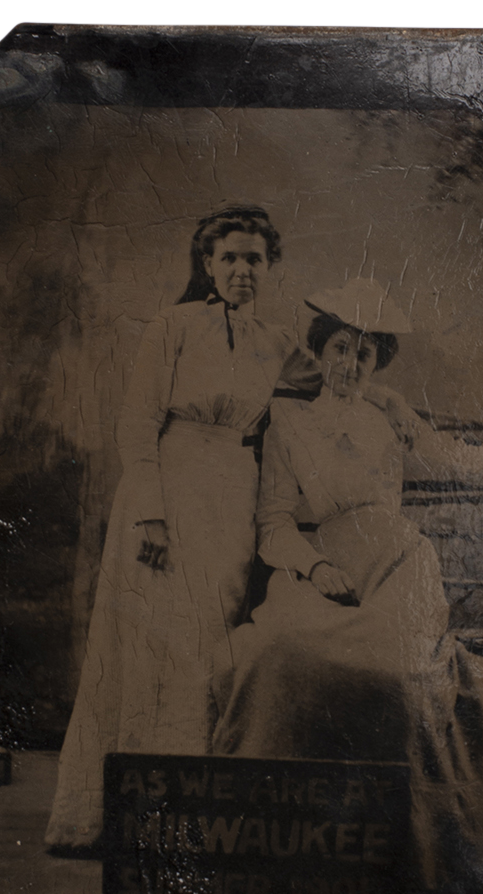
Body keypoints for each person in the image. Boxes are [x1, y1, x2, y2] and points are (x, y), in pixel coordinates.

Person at [210, 279, 483, 894]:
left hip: (400, 567)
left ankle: (403, 849)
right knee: (277, 655)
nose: (349, 365)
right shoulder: (288, 421)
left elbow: (460, 462)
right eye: (340, 349)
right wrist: (314, 568)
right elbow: (273, 523)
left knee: (403, 674)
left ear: (378, 364)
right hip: (322, 565)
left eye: (364, 354)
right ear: (320, 353)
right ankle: (286, 846)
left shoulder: (390, 417)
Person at [43, 206, 321, 851]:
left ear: (269, 267)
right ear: (207, 265)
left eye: (254, 259)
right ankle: (126, 820)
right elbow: (138, 423)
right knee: (149, 647)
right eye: (229, 258)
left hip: (231, 502)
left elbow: (335, 381)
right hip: (166, 496)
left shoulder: (277, 343)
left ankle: (187, 818)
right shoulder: (172, 326)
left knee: (205, 651)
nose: (241, 271)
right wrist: (151, 516)